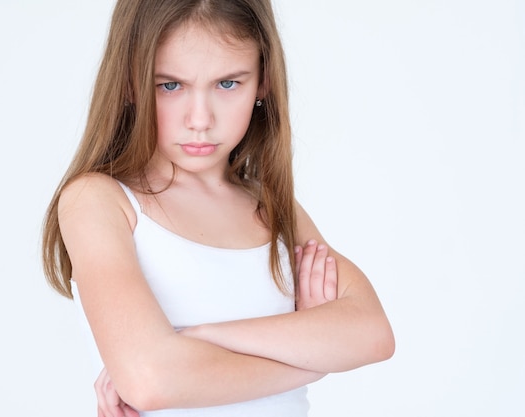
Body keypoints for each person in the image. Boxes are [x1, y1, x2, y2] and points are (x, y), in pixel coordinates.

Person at [42, 0, 395, 416]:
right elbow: (152, 380)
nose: (200, 119)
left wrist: (200, 337)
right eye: (170, 85)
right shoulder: (100, 201)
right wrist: (314, 362)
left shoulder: (273, 209)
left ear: (262, 81)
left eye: (228, 84)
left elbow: (372, 335)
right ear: (130, 83)